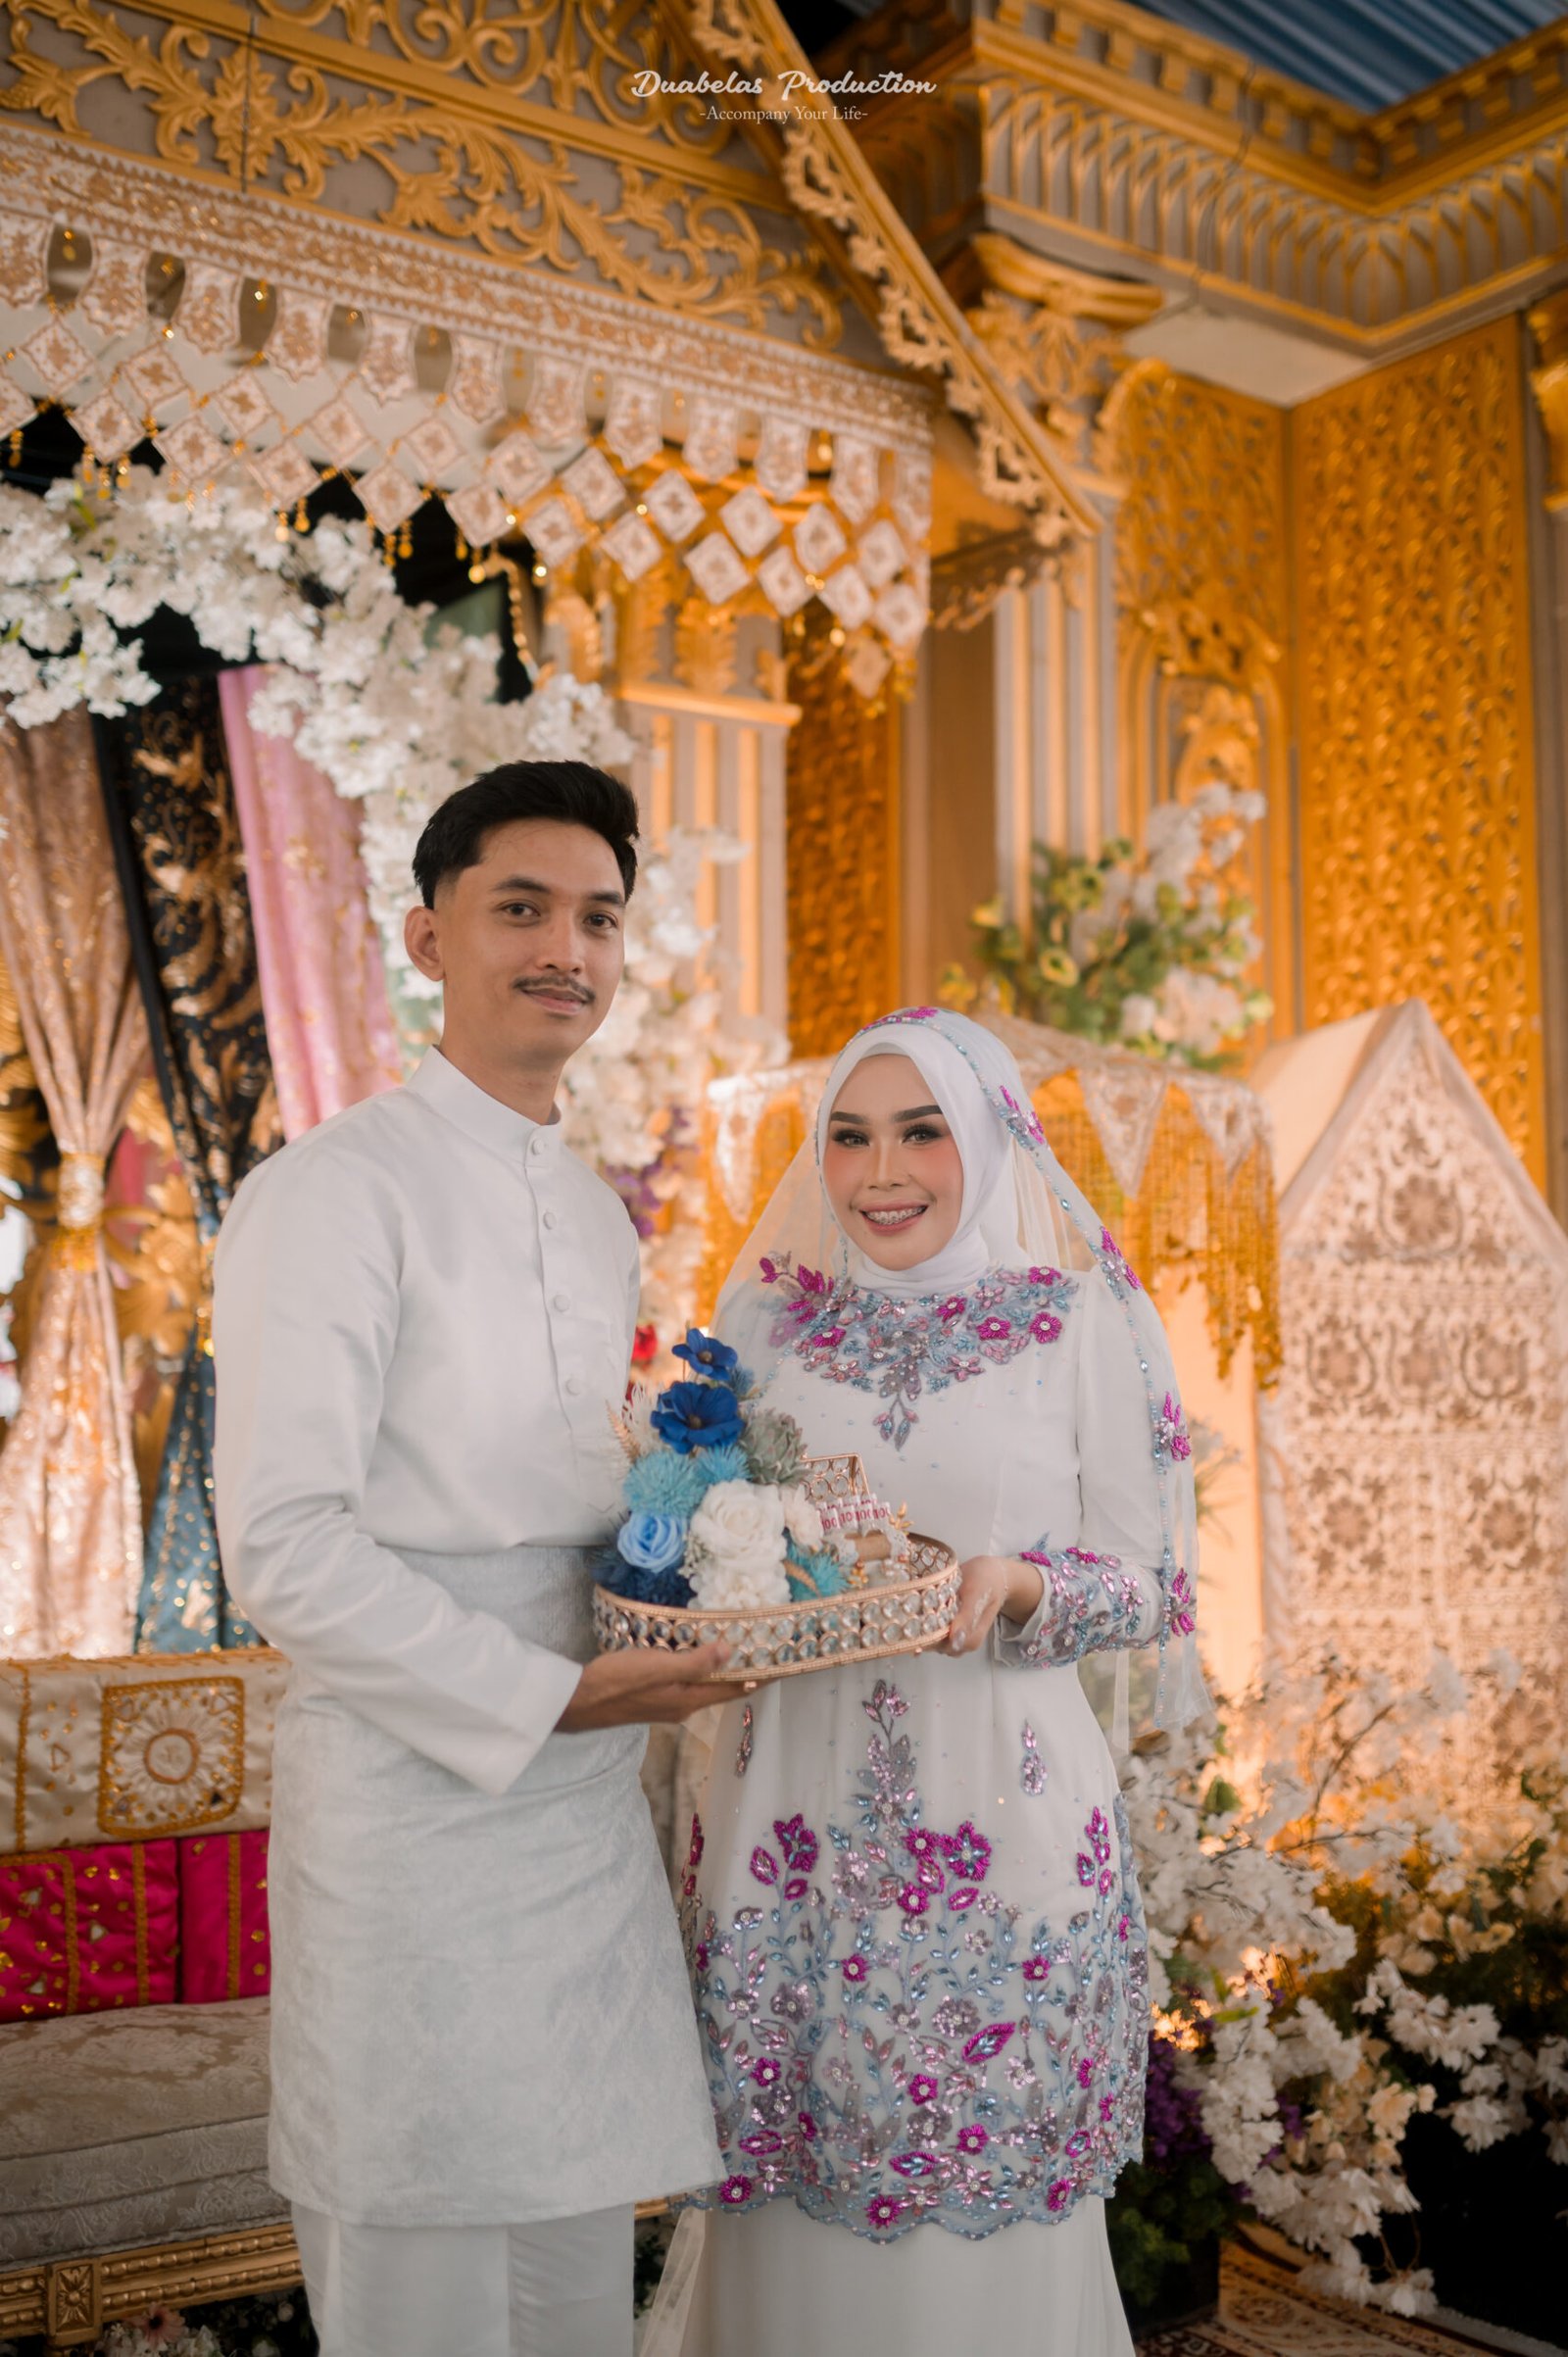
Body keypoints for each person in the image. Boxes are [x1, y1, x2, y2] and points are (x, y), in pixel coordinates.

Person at [212, 761, 740, 2357]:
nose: (565, 948)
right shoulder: (330, 1192)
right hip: (413, 1786)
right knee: (419, 2262)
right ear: (429, 937)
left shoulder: (594, 1211)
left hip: (582, 1796)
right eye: (522, 908)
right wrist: (546, 1693)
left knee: (574, 2260)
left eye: (599, 917)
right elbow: (284, 1546)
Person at [644, 1007, 1206, 2357]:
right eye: (849, 1136)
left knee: (989, 2230)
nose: (881, 1171)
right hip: (788, 1826)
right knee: (790, 2219)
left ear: (992, 1140)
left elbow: (1151, 1585)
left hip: (1001, 1823)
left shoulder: (1071, 1323)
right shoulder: (769, 1324)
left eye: (921, 1132)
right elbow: (706, 1542)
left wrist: (1017, 1584)